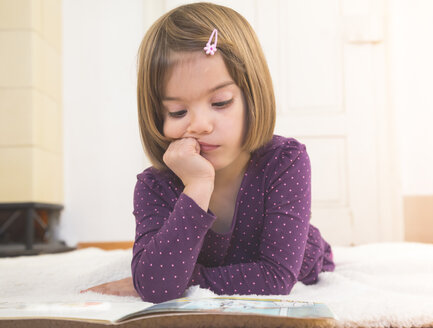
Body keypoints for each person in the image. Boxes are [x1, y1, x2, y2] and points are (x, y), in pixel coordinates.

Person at [82, 2, 334, 303]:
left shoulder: (284, 160)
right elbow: (156, 288)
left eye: (221, 102)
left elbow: (276, 278)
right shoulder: (154, 185)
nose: (199, 125)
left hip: (303, 261)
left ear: (251, 98)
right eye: (177, 111)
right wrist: (197, 185)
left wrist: (190, 279)